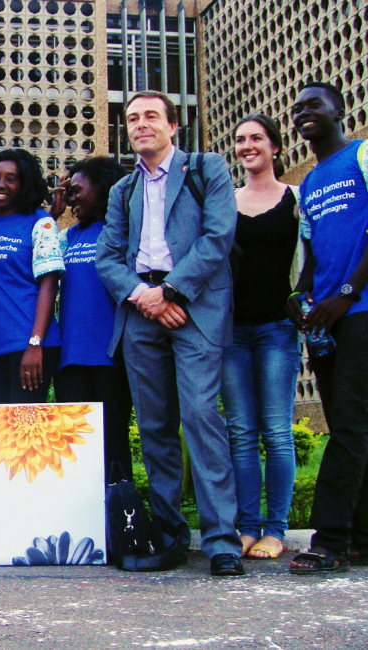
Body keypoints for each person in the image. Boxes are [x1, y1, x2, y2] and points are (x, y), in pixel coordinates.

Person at [95, 90, 244, 577]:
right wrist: (147, 297)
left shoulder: (206, 168)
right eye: (133, 118)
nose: (141, 124)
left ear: (173, 126)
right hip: (142, 312)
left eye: (151, 116)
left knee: (201, 417)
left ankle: (221, 540)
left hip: (195, 306)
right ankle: (171, 536)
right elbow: (107, 258)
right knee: (155, 427)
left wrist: (174, 292)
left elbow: (218, 236)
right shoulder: (122, 190)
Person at [286, 82, 368, 575]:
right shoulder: (312, 183)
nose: (303, 113)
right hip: (327, 322)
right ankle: (360, 536)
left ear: (338, 109)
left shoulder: (362, 154)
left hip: (359, 312)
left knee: (352, 426)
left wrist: (347, 293)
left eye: (313, 104)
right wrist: (298, 295)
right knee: (350, 428)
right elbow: (312, 254)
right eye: (297, 108)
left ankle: (330, 539)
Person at [222, 114, 304, 561]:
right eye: (240, 140)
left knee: (275, 432)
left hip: (277, 329)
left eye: (256, 138)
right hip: (232, 331)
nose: (247, 145)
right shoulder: (226, 202)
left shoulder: (296, 199)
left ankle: (276, 529)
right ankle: (247, 526)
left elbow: (311, 257)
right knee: (240, 432)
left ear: (274, 146)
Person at [50, 156, 133, 484]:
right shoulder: (66, 237)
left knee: (112, 443)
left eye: (76, 190)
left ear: (103, 190)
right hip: (70, 359)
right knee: (76, 449)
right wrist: (50, 218)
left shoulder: (121, 234)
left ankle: (122, 525)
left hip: (112, 359)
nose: (70, 197)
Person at [0, 149, 62, 404]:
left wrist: (35, 343)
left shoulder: (40, 222)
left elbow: (49, 284)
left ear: (24, 184)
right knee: (0, 434)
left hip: (31, 343)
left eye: (11, 179)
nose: (0, 184)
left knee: (25, 432)